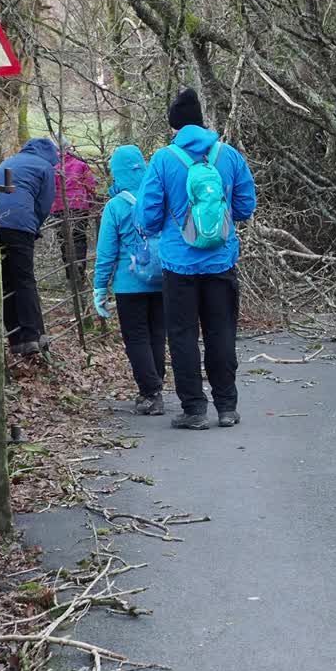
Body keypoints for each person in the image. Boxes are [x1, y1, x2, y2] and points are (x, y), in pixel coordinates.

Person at [137, 88, 257, 430]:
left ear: (174, 127)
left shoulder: (163, 159)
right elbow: (246, 206)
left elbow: (147, 215)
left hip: (179, 265)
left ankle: (194, 410)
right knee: (221, 331)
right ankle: (227, 407)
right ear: (202, 122)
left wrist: (170, 226)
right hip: (221, 261)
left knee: (183, 334)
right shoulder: (228, 155)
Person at [93, 145, 166, 416]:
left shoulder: (115, 206)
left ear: (116, 173)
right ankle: (155, 384)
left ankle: (150, 393)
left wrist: (100, 287)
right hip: (162, 278)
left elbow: (106, 253)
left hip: (129, 283)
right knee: (158, 334)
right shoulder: (158, 197)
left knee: (136, 337)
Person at [0, 137, 59, 357]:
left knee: (5, 282)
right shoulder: (44, 167)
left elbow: (3, 192)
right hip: (20, 226)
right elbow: (44, 204)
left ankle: (14, 339)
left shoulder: (10, 162)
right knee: (24, 279)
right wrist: (34, 227)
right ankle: (32, 336)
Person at [51, 138, 99, 288]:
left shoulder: (52, 165)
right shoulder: (81, 164)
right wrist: (90, 203)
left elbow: (50, 188)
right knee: (79, 238)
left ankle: (70, 274)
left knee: (64, 240)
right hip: (79, 205)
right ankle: (80, 270)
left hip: (59, 207)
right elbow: (90, 186)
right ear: (69, 147)